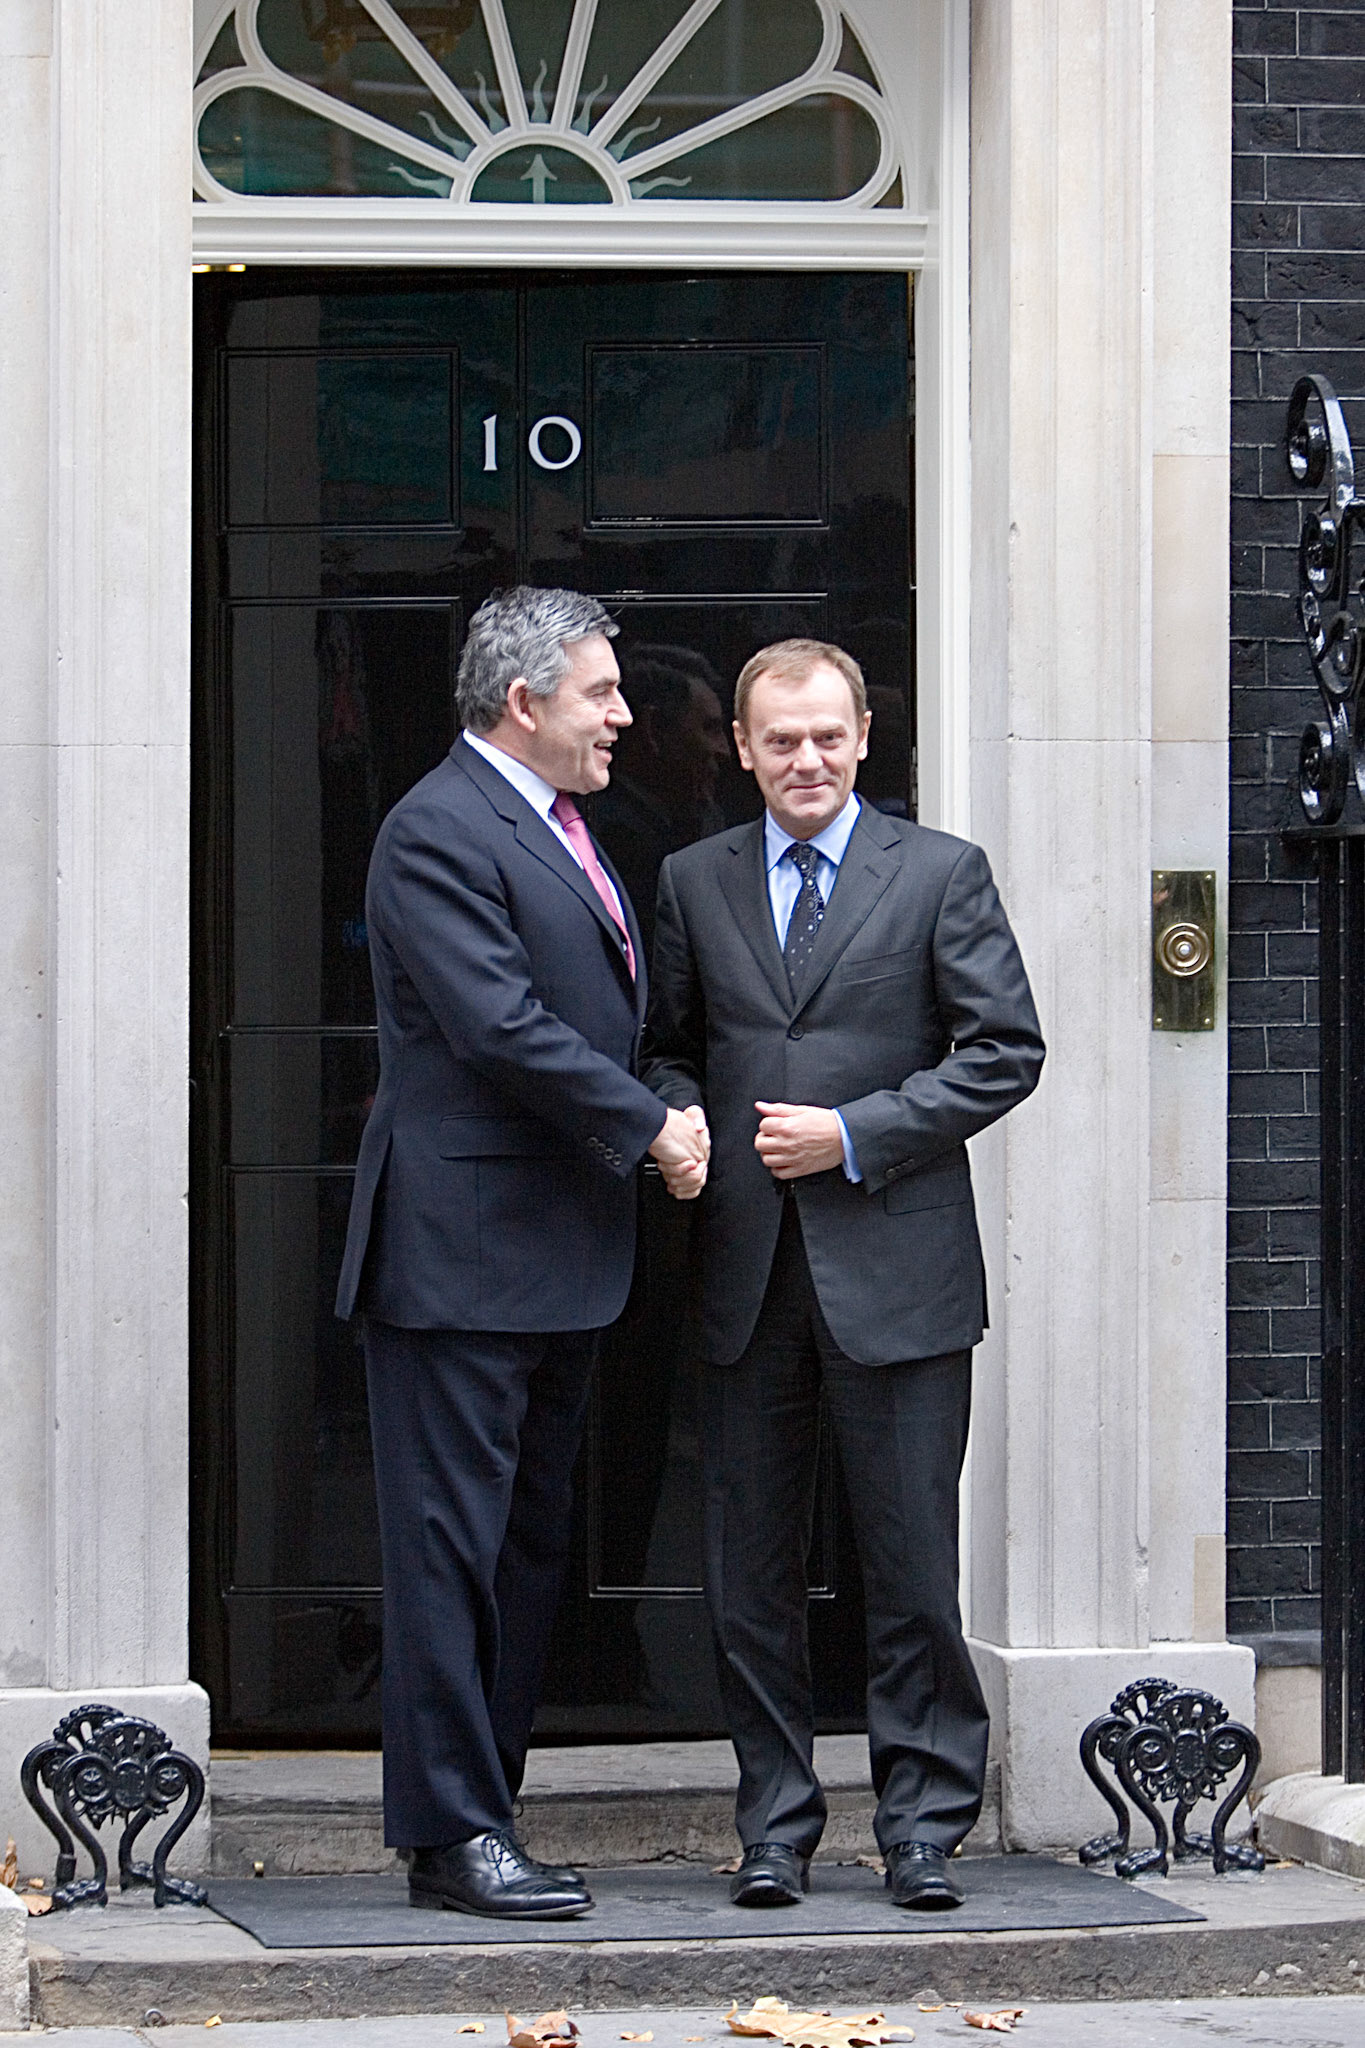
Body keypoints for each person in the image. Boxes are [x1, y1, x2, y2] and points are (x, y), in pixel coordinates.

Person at [643, 638, 1044, 1912]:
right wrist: (679, 1120)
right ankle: (774, 1823)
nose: (804, 759)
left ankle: (923, 1822)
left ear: (866, 734)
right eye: (780, 740)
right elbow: (663, 1044)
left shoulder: (939, 873)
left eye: (827, 736)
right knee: (749, 1571)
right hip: (745, 1271)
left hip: (902, 1271)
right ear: (745, 749)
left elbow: (1005, 1050)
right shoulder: (692, 879)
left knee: (910, 1560)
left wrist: (859, 1131)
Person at [335, 587, 708, 1921]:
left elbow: (597, 1010)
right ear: (523, 701)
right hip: (460, 1255)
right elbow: (498, 1027)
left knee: (524, 1551)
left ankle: (485, 1810)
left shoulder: (566, 826)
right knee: (450, 1553)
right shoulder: (437, 829)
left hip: (555, 1254)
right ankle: (449, 1836)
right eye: (603, 692)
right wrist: (653, 1125)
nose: (624, 714)